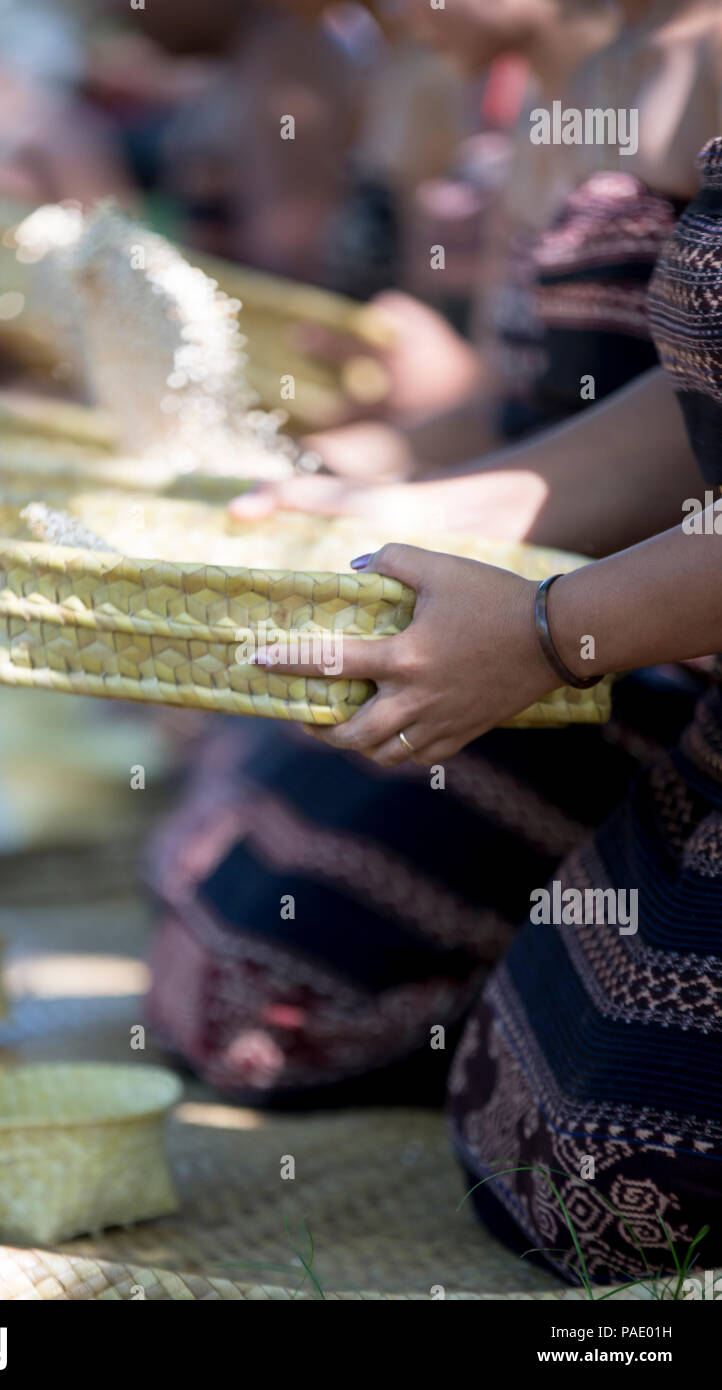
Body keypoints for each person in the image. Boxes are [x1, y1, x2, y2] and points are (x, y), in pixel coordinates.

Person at [142, 0, 721, 1109]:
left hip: (642, 639)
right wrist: (371, 493)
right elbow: (584, 407)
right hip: (569, 598)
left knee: (278, 1002)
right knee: (213, 944)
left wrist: (552, 629)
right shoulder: (579, 78)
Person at [249, 133, 722, 1285]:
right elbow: (683, 409)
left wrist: (549, 631)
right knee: (525, 1126)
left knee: (625, 1178)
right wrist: (411, 502)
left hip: (650, 648)